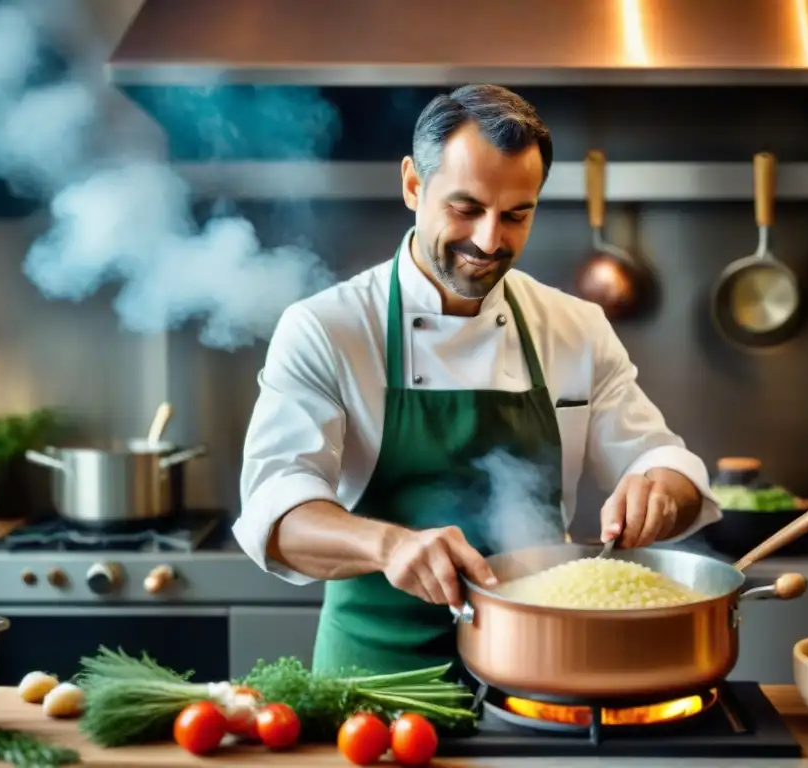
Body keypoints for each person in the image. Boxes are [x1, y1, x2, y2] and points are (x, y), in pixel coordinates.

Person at [233, 84, 722, 676]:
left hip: (539, 670)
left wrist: (661, 488)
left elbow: (661, 458)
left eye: (516, 215)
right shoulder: (326, 328)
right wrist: (390, 546)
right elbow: (274, 509)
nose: (489, 241)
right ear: (414, 184)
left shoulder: (575, 326)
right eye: (465, 209)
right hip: (375, 682)